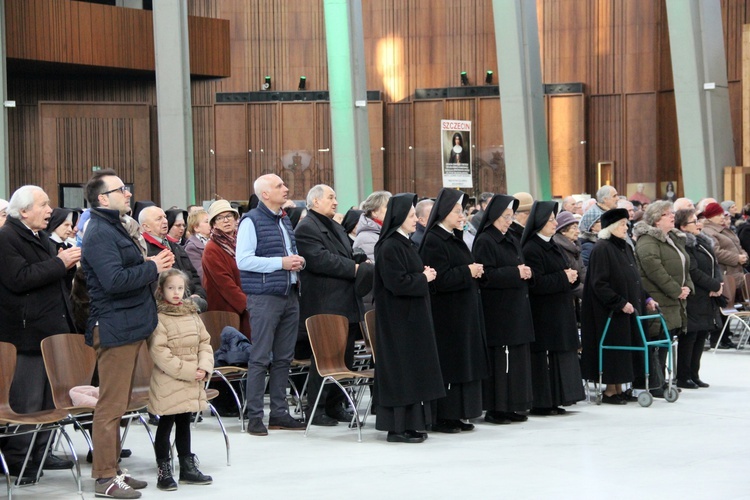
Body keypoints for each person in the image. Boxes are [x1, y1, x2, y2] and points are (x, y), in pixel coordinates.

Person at [82, 169, 174, 499]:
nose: (128, 193)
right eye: (121, 189)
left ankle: (114, 469)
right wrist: (153, 267)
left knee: (119, 404)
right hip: (114, 326)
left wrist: (151, 265)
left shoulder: (114, 227)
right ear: (103, 198)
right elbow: (114, 281)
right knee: (110, 406)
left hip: (130, 323)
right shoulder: (99, 233)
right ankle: (104, 478)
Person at [0, 186, 79, 483]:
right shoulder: (6, 238)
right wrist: (61, 263)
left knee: (52, 404)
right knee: (28, 405)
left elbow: (51, 281)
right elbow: (19, 279)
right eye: (44, 205)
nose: (50, 210)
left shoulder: (41, 239)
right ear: (23, 212)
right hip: (27, 337)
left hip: (52, 335)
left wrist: (66, 266)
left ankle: (38, 461)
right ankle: (18, 465)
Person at [236, 174, 306, 436]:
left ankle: (278, 412)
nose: (285, 188)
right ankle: (254, 415)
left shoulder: (284, 220)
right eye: (279, 186)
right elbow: (243, 261)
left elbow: (288, 254)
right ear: (265, 194)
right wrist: (281, 263)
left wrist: (297, 262)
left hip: (289, 292)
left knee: (284, 357)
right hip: (265, 296)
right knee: (261, 356)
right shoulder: (251, 221)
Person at [295, 184, 371, 426]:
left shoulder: (334, 225)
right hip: (325, 303)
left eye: (336, 197)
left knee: (345, 357)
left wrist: (359, 258)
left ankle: (335, 404)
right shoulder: (306, 228)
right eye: (330, 197)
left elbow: (346, 252)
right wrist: (354, 268)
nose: (336, 202)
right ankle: (316, 409)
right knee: (325, 358)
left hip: (345, 301)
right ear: (315, 201)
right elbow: (319, 260)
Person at [372, 193, 444, 443]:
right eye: (412, 216)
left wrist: (423, 274)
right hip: (398, 321)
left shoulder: (405, 243)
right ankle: (397, 428)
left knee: (413, 372)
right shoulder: (390, 245)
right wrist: (424, 278)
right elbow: (396, 283)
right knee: (401, 372)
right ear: (400, 217)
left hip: (411, 318)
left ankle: (412, 424)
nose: (416, 220)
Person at [419, 188, 489, 433]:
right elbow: (439, 278)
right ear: (444, 212)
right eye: (458, 211)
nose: (463, 216)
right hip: (446, 315)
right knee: (451, 364)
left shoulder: (454, 236)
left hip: (463, 310)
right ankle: (444, 416)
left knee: (464, 364)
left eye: (463, 211)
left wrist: (473, 270)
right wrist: (467, 272)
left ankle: (459, 414)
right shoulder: (434, 239)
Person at [580, 208, 656, 404]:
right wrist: (619, 303)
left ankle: (622, 387)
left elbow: (634, 279)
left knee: (625, 349)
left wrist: (646, 298)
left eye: (626, 223)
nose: (626, 227)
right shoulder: (602, 248)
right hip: (610, 312)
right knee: (615, 350)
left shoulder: (625, 247)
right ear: (612, 227)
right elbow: (599, 283)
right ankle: (610, 391)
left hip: (629, 308)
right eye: (622, 224)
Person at [148, 269, 213, 491]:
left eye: (179, 288)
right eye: (170, 288)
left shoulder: (192, 314)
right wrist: (189, 370)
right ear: (161, 290)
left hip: (192, 377)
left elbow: (205, 342)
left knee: (184, 422)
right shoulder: (158, 317)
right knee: (166, 423)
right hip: (169, 379)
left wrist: (204, 367)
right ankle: (163, 471)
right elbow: (160, 353)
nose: (176, 293)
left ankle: (187, 467)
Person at [472, 194, 534, 424]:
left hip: (516, 307)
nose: (510, 221)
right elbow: (485, 275)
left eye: (512, 216)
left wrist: (525, 271)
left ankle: (514, 405)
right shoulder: (485, 241)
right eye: (506, 217)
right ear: (495, 217)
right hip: (498, 311)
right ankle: (497, 408)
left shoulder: (511, 238)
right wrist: (515, 273)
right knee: (501, 361)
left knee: (516, 360)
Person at [522, 201, 585, 415]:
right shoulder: (531, 247)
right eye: (550, 220)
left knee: (561, 355)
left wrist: (571, 277)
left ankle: (559, 399)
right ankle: (543, 403)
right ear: (539, 222)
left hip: (560, 308)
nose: (555, 223)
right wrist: (563, 277)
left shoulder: (552, 244)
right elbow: (536, 282)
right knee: (546, 358)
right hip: (544, 312)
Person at [632, 201, 693, 397]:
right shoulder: (647, 241)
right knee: (656, 342)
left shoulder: (672, 238)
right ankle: (654, 383)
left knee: (665, 341)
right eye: (668, 214)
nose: (672, 216)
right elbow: (655, 271)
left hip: (674, 299)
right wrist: (676, 290)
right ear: (657, 220)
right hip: (658, 299)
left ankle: (662, 381)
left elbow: (685, 266)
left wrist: (687, 287)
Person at [676, 208, 721, 388]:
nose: (699, 224)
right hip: (695, 294)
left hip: (707, 294)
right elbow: (692, 270)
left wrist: (718, 284)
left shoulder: (701, 241)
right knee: (691, 336)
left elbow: (714, 264)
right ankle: (683, 375)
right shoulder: (685, 243)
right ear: (683, 226)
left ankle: (694, 374)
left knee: (702, 334)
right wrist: (714, 285)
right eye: (694, 221)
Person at [139, 206, 207, 309]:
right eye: (159, 219)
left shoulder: (176, 247)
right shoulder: (143, 251)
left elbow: (194, 277)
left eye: (165, 217)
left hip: (189, 307)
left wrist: (198, 294)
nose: (165, 221)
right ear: (146, 227)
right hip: (164, 311)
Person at [201, 200, 251, 338]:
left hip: (244, 302)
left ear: (236, 219)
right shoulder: (212, 248)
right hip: (226, 308)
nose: (226, 221)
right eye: (220, 218)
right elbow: (224, 283)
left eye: (229, 216)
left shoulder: (241, 240)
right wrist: (247, 303)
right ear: (214, 224)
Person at [553, 211, 585, 298]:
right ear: (563, 231)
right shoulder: (558, 248)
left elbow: (582, 272)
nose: (578, 231)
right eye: (574, 228)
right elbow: (570, 281)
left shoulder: (575, 247)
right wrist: (589, 294)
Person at [352, 190, 391, 262]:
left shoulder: (385, 231)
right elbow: (376, 267)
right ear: (374, 212)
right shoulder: (365, 238)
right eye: (388, 207)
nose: (392, 210)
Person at [184, 209, 211, 281]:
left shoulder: (215, 241)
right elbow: (201, 275)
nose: (211, 223)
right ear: (196, 228)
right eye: (207, 222)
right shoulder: (191, 248)